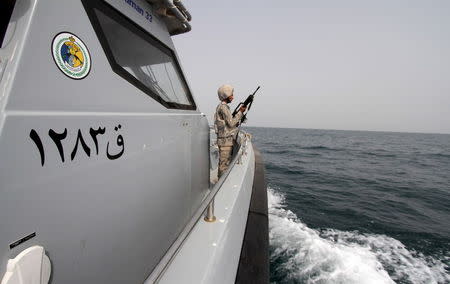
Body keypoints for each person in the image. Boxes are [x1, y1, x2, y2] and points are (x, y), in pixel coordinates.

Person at [214, 84, 246, 178]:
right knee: (224, 166)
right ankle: (220, 186)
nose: (233, 97)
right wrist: (240, 112)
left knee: (224, 164)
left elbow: (228, 123)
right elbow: (231, 123)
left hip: (225, 141)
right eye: (231, 94)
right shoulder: (223, 107)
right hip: (225, 142)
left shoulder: (222, 107)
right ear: (226, 95)